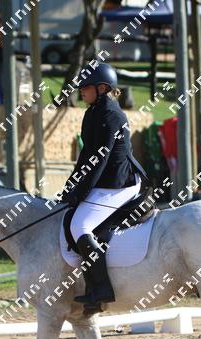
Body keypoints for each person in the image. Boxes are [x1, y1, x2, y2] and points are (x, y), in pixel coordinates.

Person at [62, 63, 148, 316]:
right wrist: (71, 184)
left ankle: (101, 289)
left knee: (80, 226)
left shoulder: (111, 115)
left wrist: (81, 192)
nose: (81, 91)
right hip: (104, 181)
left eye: (85, 87)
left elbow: (99, 158)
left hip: (119, 184)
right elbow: (86, 155)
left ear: (101, 88)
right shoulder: (93, 112)